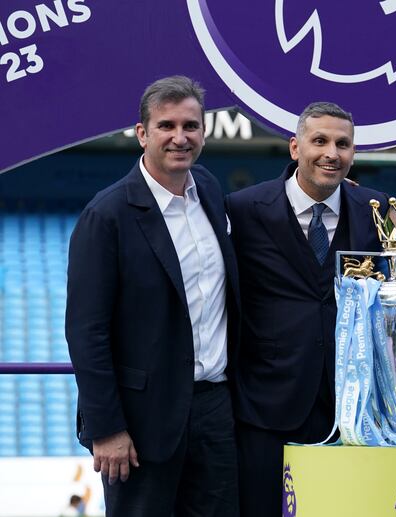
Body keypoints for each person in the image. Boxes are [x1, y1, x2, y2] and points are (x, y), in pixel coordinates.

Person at [66, 76, 240, 516]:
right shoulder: (106, 215)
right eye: (166, 126)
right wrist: (107, 429)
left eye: (191, 126)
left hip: (214, 411)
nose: (180, 137)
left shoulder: (210, 191)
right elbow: (87, 332)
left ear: (204, 131)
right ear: (142, 133)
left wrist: (325, 183)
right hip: (140, 424)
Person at [226, 102, 387, 516]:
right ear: (295, 147)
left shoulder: (377, 211)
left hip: (347, 408)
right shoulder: (242, 210)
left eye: (343, 144)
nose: (332, 153)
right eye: (320, 141)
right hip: (264, 406)